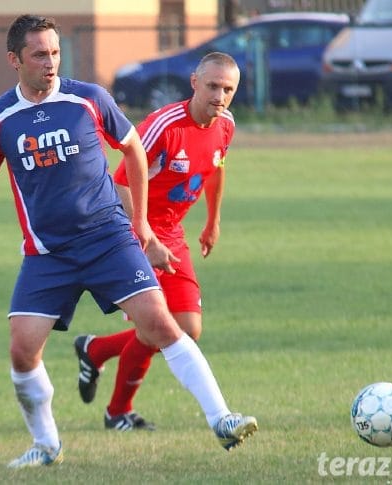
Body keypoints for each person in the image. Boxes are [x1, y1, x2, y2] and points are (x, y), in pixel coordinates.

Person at [0, 15, 257, 469]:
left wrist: (141, 226)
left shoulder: (89, 99)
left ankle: (222, 419)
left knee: (161, 323)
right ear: (14, 60)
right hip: (48, 253)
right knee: (22, 349)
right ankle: (46, 445)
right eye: (39, 54)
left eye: (55, 52)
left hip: (108, 239)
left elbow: (132, 149)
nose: (50, 62)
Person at [73, 52, 242, 432]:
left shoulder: (226, 125)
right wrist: (143, 235)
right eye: (212, 86)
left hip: (173, 233)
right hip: (131, 231)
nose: (219, 95)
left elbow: (216, 168)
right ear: (195, 83)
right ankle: (118, 412)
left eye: (228, 89)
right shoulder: (164, 125)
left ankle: (96, 350)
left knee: (187, 329)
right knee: (157, 326)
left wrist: (213, 221)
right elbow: (119, 183)